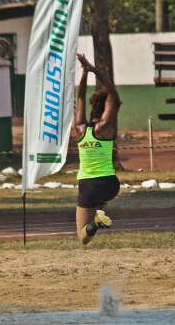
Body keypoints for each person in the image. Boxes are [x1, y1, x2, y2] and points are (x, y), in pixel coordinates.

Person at [73, 53, 122, 245]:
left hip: (89, 186)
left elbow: (80, 98)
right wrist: (94, 71)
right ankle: (99, 213)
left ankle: (95, 223)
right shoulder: (105, 128)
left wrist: (85, 74)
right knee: (99, 201)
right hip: (111, 185)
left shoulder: (79, 129)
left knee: (83, 237)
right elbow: (113, 96)